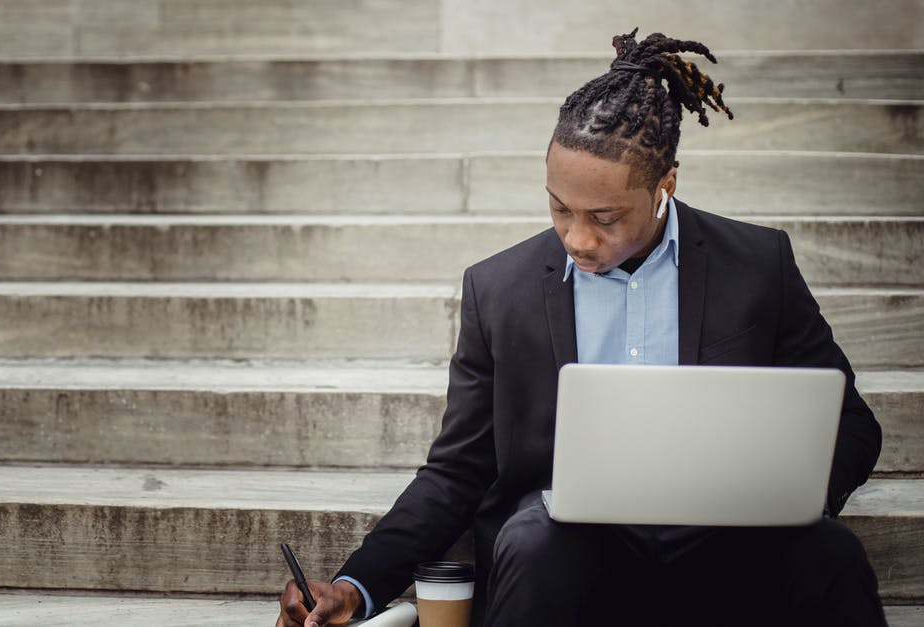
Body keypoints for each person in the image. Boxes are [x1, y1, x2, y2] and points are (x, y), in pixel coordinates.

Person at [277, 29, 885, 627]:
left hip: (729, 547)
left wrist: (791, 498)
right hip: (566, 556)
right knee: (532, 541)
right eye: (559, 208)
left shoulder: (757, 265)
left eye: (605, 217)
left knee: (832, 555)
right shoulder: (499, 290)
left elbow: (852, 425)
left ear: (664, 184)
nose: (577, 239)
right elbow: (458, 469)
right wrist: (358, 585)